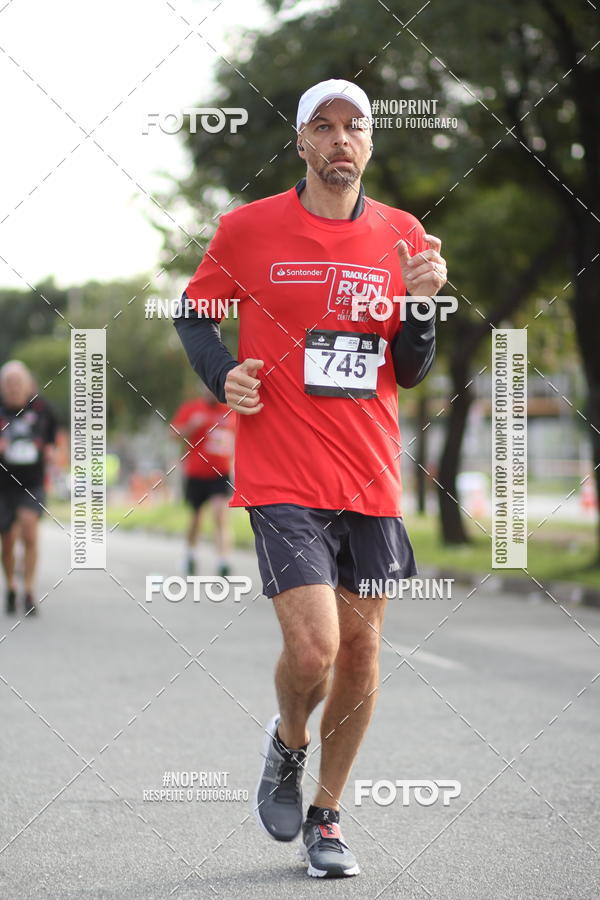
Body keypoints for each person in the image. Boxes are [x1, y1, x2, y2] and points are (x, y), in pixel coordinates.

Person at [174, 79, 447, 878]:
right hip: (281, 472)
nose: (338, 139)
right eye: (321, 127)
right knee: (313, 654)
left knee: (360, 660)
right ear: (301, 143)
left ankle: (326, 817)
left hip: (367, 476)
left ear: (369, 142)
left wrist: (423, 306)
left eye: (352, 126)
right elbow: (193, 312)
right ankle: (288, 742)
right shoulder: (249, 228)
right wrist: (222, 373)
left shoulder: (402, 234)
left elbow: (411, 367)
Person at [0, 361, 57, 616]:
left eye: (17, 383)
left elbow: (57, 440)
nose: (13, 388)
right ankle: (11, 586)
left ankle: (29, 589)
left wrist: (54, 452)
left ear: (27, 385)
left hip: (32, 482)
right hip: (3, 485)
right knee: (8, 540)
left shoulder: (43, 409)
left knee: (29, 531)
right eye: (8, 383)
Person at [170, 387, 235, 576]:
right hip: (196, 473)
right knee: (196, 518)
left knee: (220, 514)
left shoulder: (231, 411)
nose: (211, 393)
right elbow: (173, 434)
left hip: (220, 473)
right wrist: (190, 426)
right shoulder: (192, 409)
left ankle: (223, 560)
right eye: (207, 389)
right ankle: (190, 555)